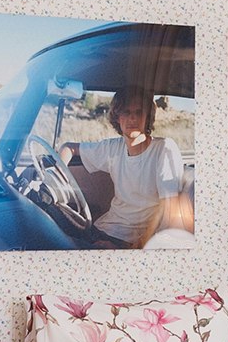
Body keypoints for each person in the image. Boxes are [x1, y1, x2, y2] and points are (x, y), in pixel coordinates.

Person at [59, 84, 190, 247]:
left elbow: (168, 210)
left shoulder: (164, 149)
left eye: (139, 112)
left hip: (128, 241)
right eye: (126, 112)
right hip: (101, 229)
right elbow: (69, 147)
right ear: (117, 117)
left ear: (148, 117)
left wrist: (130, 250)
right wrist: (58, 177)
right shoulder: (113, 147)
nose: (132, 118)